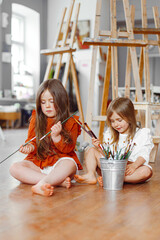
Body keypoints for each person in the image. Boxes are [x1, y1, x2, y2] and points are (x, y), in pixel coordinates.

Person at [10, 79, 82, 196]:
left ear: (61, 100)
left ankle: (43, 183)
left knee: (70, 164)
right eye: (43, 102)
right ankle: (55, 181)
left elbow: (68, 149)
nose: (47, 105)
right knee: (14, 167)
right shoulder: (36, 119)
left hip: (60, 162)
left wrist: (57, 137)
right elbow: (32, 141)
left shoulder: (71, 122)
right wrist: (29, 147)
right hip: (39, 163)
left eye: (51, 101)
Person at [74, 97, 153, 186]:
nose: (116, 124)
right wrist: (99, 148)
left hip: (131, 167)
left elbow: (144, 154)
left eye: (119, 120)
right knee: (91, 150)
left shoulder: (142, 134)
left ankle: (112, 179)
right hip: (113, 166)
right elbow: (108, 156)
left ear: (130, 117)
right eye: (112, 121)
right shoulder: (110, 134)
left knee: (146, 171)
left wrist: (134, 166)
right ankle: (91, 175)